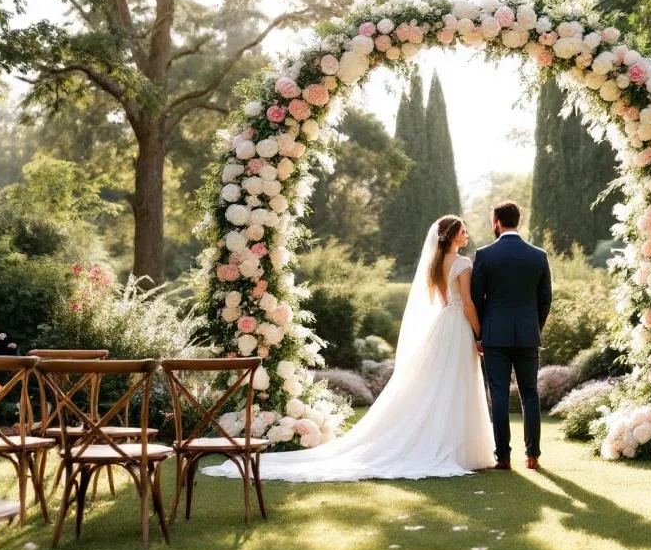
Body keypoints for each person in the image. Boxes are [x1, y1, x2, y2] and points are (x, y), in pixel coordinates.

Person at [202, 216, 495, 482]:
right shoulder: (462, 263)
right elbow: (467, 303)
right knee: (457, 384)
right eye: (463, 231)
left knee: (438, 386)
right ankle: (457, 447)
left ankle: (445, 442)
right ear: (452, 235)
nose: (467, 235)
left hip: (441, 327)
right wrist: (479, 332)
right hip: (456, 326)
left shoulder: (434, 264)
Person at [470, 200, 552, 471]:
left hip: (494, 335)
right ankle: (533, 456)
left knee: (499, 395)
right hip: (528, 334)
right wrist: (534, 327)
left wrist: (479, 332)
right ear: (518, 221)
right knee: (530, 393)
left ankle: (502, 458)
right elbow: (545, 300)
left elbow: (476, 298)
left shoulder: (484, 255)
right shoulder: (538, 255)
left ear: (496, 222)